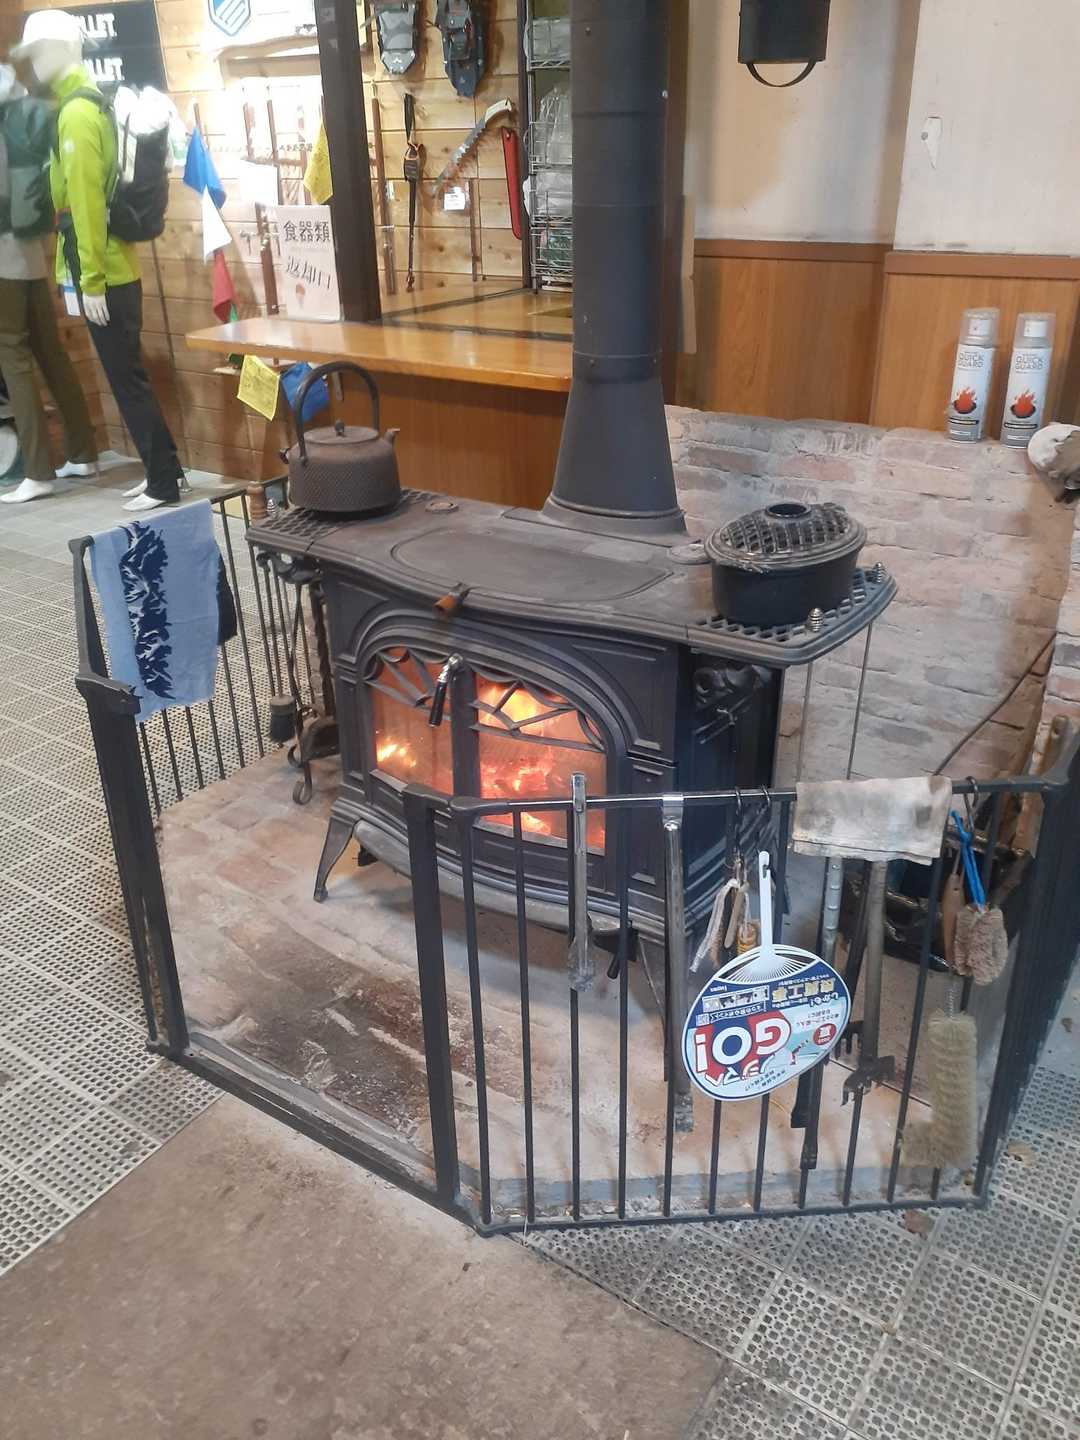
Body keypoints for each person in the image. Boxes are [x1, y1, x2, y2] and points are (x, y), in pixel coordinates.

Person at [12, 10, 184, 512]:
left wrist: (90, 280)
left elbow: (85, 205)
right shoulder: (89, 103)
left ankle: (162, 482)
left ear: (62, 48)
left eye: (39, 51)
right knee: (130, 377)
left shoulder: (77, 114)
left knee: (126, 381)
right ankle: (165, 469)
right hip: (111, 268)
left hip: (103, 273)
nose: (34, 63)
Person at [0, 63, 97, 506]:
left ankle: (38, 472)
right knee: (50, 352)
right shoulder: (23, 113)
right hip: (33, 254)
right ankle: (83, 452)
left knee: (13, 358)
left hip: (3, 261)